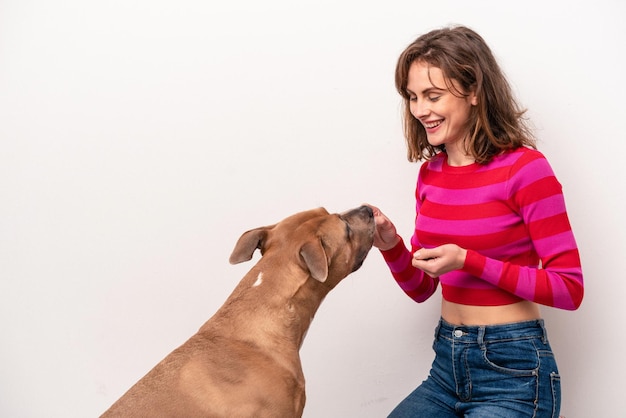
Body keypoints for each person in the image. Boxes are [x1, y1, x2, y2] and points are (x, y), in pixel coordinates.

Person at [369, 25, 583, 417]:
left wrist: (470, 261)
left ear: (473, 91)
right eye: (413, 97)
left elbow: (569, 289)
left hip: (515, 372)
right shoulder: (431, 175)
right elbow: (422, 288)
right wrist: (391, 245)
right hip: (446, 366)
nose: (420, 110)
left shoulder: (526, 169)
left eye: (433, 95)